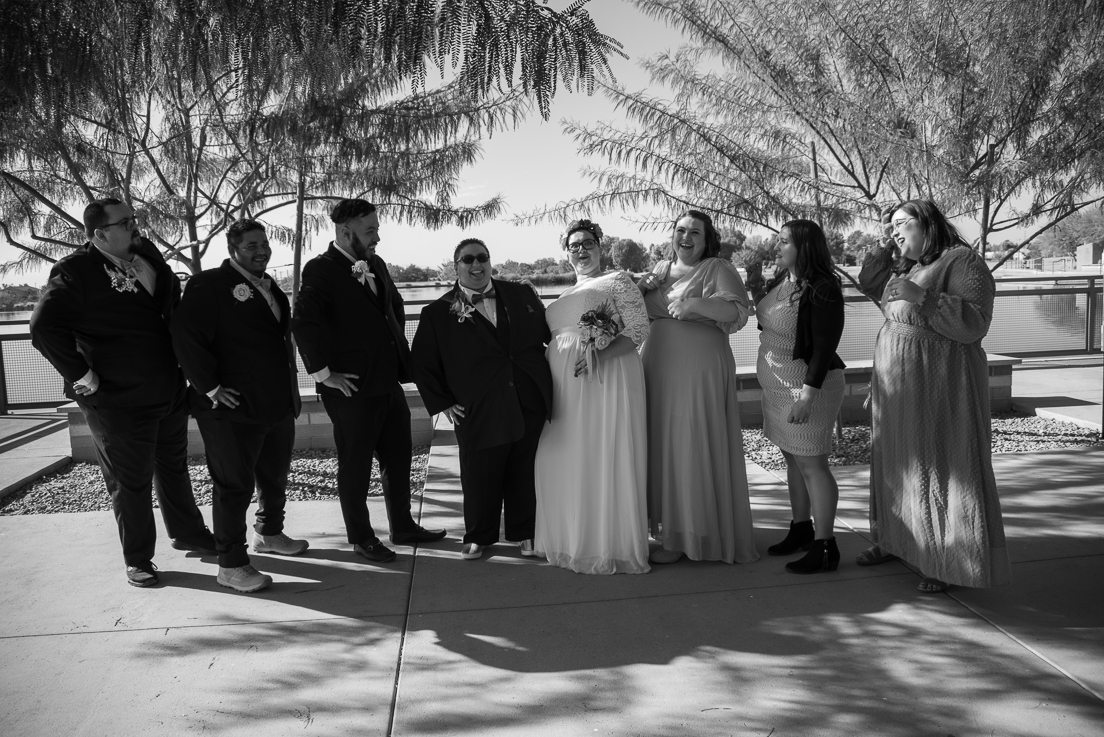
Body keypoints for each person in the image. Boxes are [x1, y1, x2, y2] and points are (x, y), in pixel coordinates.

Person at [30, 198, 215, 588]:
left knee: (174, 466)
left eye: (134, 219)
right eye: (126, 222)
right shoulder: (76, 270)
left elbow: (166, 310)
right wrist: (82, 374)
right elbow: (44, 327)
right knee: (130, 481)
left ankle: (189, 532)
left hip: (168, 387)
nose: (135, 226)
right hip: (118, 398)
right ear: (100, 234)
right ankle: (138, 558)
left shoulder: (148, 254)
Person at [859, 199, 1011, 593]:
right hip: (897, 386)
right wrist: (886, 243)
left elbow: (974, 324)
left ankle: (947, 561)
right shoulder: (909, 266)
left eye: (901, 224)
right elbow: (869, 281)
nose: (895, 231)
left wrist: (922, 297)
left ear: (927, 223)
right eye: (891, 225)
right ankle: (895, 539)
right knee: (896, 463)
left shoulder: (962, 261)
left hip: (939, 385)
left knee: (939, 464)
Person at [293, 199, 445, 564]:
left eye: (376, 229)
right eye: (370, 230)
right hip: (351, 389)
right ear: (346, 233)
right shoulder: (320, 269)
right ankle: (362, 538)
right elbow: (303, 322)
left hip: (387, 381)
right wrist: (324, 374)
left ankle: (403, 526)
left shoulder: (376, 263)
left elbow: (393, 306)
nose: (377, 237)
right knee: (356, 465)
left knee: (399, 456)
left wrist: (397, 353)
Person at [170, 220, 309, 593]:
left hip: (275, 403)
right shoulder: (208, 285)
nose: (261, 251)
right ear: (233, 249)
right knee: (233, 486)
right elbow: (185, 335)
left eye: (264, 244)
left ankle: (269, 532)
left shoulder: (269, 285)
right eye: (251, 246)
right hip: (231, 408)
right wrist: (210, 387)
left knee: (274, 476)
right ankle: (231, 564)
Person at [411, 238, 553, 561]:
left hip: (527, 399)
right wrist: (442, 402)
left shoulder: (521, 293)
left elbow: (549, 334)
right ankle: (478, 535)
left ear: (490, 262)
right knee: (480, 474)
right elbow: (421, 363)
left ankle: (525, 532)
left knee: (524, 471)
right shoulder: (437, 312)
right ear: (456, 266)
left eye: (482, 257)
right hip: (477, 408)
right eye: (468, 259)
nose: (476, 265)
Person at [636, 209, 759, 565]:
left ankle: (687, 535)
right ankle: (669, 527)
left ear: (707, 240)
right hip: (657, 367)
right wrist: (638, 288)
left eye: (695, 232)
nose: (685, 237)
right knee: (663, 444)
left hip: (698, 369)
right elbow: (633, 314)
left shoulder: (717, 268)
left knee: (689, 443)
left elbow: (737, 313)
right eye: (680, 230)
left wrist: (694, 304)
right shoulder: (659, 270)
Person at [532, 220, 651, 574]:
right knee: (562, 455)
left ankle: (608, 545)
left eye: (588, 243)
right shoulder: (565, 294)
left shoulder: (617, 281)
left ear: (601, 246)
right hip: (564, 387)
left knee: (603, 453)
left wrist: (600, 354)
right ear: (566, 253)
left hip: (605, 379)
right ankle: (570, 539)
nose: (581, 250)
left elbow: (639, 328)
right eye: (574, 246)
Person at [746, 220, 846, 574]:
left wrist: (806, 396)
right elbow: (771, 323)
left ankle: (825, 546)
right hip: (777, 387)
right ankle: (802, 528)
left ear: (805, 247)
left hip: (807, 387)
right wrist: (754, 288)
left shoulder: (823, 287)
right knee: (793, 460)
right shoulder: (782, 280)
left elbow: (824, 347)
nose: (777, 247)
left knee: (813, 465)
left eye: (784, 241)